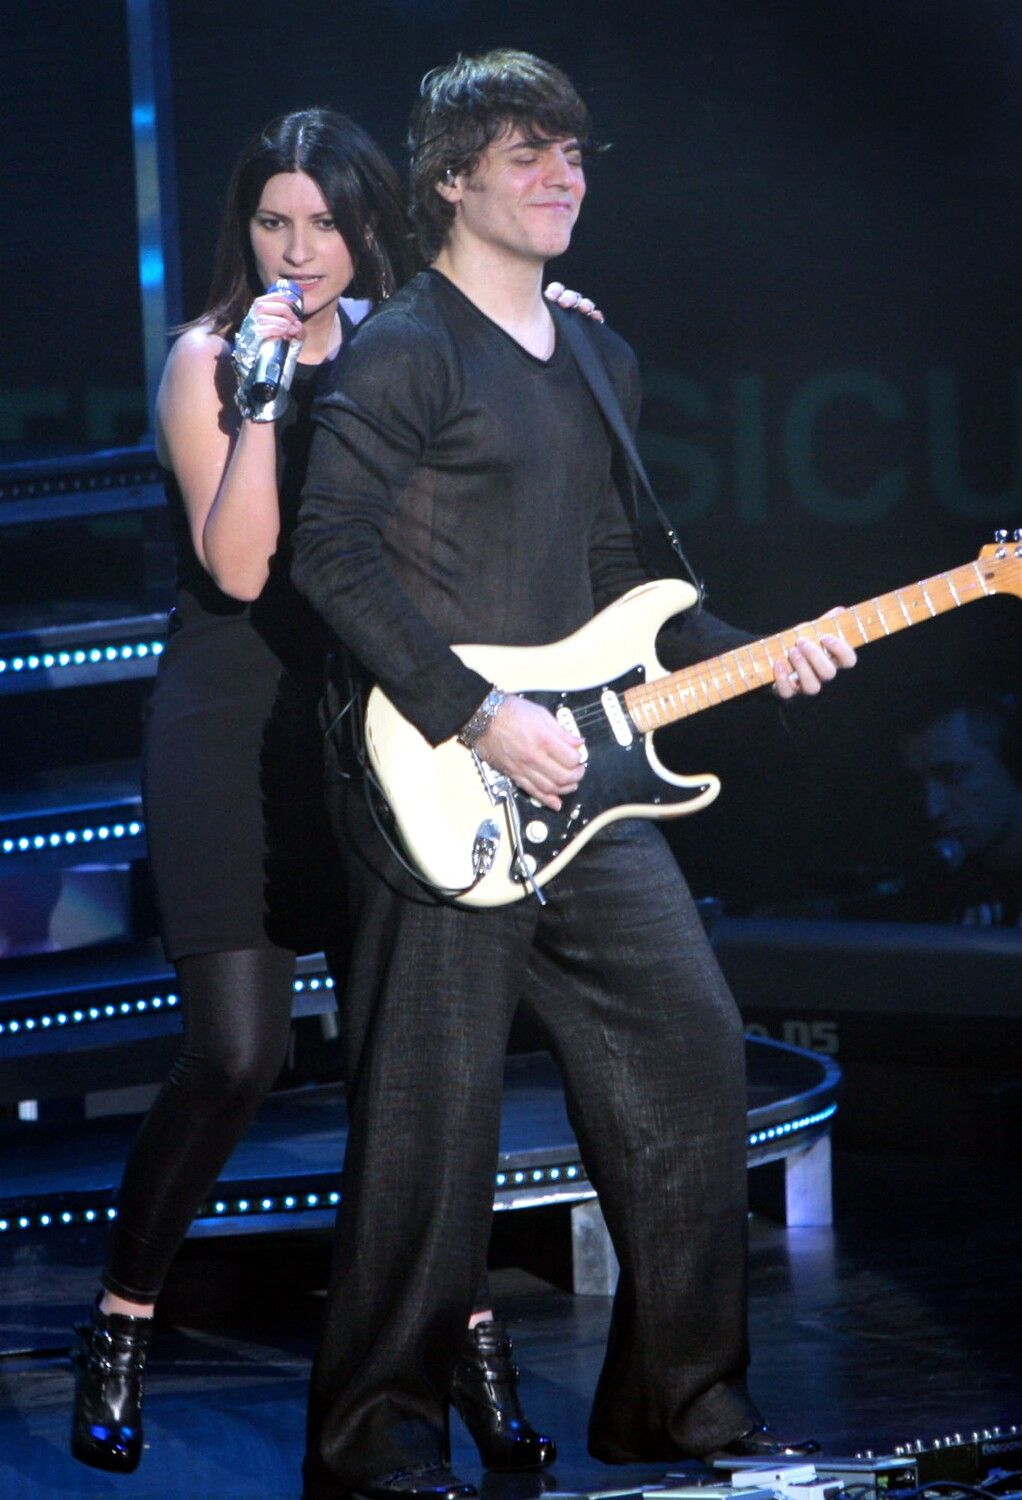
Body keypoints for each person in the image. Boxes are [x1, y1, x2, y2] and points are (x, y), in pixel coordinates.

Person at [291, 49, 856, 1500]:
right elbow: (327, 554)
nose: (562, 178)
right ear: (450, 179)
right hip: (438, 782)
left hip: (586, 784)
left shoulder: (600, 359)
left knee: (690, 1054)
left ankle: (681, 1409)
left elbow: (618, 579)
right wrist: (476, 714)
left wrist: (755, 655)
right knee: (429, 1126)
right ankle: (373, 1451)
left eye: (574, 154)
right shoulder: (405, 349)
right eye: (526, 154)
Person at [70, 105, 584, 1476]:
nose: (297, 252)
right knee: (235, 1055)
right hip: (228, 724)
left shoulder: (414, 344)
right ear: (240, 229)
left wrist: (541, 322)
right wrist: (260, 396)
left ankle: (465, 1343)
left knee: (414, 1068)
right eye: (270, 222)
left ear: (369, 228)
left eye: (323, 224)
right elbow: (241, 570)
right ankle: (120, 1324)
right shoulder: (206, 356)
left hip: (372, 731)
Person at [896, 687, 1022, 926]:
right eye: (918, 785)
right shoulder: (934, 892)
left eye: (952, 776)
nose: (933, 809)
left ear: (1014, 758)